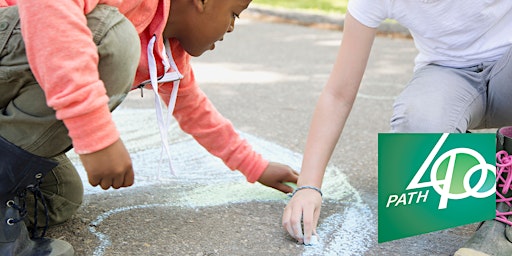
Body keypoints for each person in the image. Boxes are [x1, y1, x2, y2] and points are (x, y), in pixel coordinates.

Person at [0, 0, 299, 255]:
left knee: (60, 195)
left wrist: (256, 167)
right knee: (112, 39)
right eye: (234, 13)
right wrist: (96, 135)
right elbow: (47, 10)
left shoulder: (166, 53)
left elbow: (197, 112)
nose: (232, 27)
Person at [281, 0, 512, 252]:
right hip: (450, 75)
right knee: (415, 158)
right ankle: (498, 172)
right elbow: (338, 94)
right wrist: (308, 186)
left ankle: (501, 212)